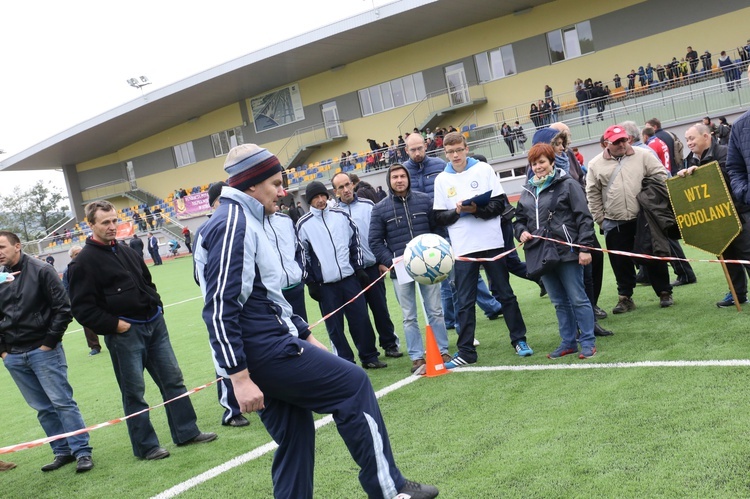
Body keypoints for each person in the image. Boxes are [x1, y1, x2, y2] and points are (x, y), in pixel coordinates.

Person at [194, 144, 438, 499]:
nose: (282, 192)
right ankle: (391, 490)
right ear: (251, 184)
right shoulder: (234, 224)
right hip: (263, 348)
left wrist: (305, 333)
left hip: (264, 344)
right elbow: (219, 306)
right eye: (276, 184)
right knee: (354, 384)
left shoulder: (242, 219)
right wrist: (238, 377)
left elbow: (266, 292)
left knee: (295, 434)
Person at [69, 201, 217, 461]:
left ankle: (187, 431)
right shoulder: (83, 262)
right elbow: (82, 310)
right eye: (105, 222)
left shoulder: (126, 250)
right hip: (125, 333)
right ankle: (147, 446)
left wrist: (157, 305)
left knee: (173, 380)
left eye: (114, 220)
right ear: (90, 225)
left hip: (154, 325)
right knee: (134, 392)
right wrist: (116, 325)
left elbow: (147, 282)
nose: (112, 226)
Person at [433, 132, 532, 367]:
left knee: (505, 294)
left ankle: (519, 340)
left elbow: (500, 204)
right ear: (445, 153)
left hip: (492, 243)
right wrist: (457, 212)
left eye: (459, 149)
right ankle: (466, 352)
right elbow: (439, 217)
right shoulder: (441, 180)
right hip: (463, 249)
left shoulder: (483, 170)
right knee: (464, 301)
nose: (455, 155)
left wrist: (474, 209)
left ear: (466, 148)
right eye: (450, 152)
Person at [0, 231, 94, 473]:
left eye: (2, 247)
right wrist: (3, 352)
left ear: (17, 246)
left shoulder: (41, 269)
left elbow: (63, 308)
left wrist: (48, 343)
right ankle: (61, 451)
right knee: (42, 408)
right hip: (13, 354)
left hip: (43, 350)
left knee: (62, 402)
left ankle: (82, 451)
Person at [515, 144, 597, 359]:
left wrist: (584, 248)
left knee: (578, 298)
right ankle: (568, 342)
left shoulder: (568, 184)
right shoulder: (527, 190)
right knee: (559, 302)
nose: (538, 167)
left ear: (552, 161)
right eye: (534, 163)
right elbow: (519, 221)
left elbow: (584, 217)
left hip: (568, 251)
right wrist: (521, 231)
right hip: (542, 255)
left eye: (542, 162)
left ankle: (588, 342)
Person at [369, 164, 451, 373]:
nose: (399, 180)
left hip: (430, 268)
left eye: (402, 176)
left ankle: (442, 350)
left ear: (408, 178)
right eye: (394, 177)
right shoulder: (380, 209)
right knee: (409, 315)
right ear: (389, 181)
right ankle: (417, 357)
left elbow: (438, 229)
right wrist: (392, 261)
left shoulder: (424, 200)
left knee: (435, 310)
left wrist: (437, 255)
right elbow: (375, 241)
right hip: (401, 270)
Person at [297, 181, 387, 369]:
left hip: (350, 279)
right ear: (310, 201)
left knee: (361, 319)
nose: (320, 200)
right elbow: (302, 255)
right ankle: (345, 362)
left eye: (323, 196)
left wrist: (359, 268)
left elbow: (355, 243)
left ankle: (369, 356)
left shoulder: (341, 215)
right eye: (315, 198)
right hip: (325, 285)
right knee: (335, 327)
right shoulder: (303, 224)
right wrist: (311, 282)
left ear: (328, 196)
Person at [586, 125, 674, 312]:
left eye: (624, 140)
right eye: (617, 142)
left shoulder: (643, 155)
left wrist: (650, 193)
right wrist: (600, 219)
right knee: (620, 262)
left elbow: (661, 175)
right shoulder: (595, 164)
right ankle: (625, 298)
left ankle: (664, 292)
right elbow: (592, 194)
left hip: (642, 217)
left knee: (653, 255)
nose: (622, 144)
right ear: (605, 144)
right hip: (614, 221)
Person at [332, 172, 403, 359]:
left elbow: (381, 234)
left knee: (380, 308)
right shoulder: (332, 213)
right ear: (335, 191)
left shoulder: (369, 206)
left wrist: (381, 261)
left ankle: (389, 343)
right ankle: (369, 351)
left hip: (372, 266)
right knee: (359, 315)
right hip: (351, 273)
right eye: (341, 187)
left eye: (348, 184)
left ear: (353, 184)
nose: (346, 189)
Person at [680, 123, 750, 307]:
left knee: (747, 254)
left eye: (692, 138)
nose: (689, 143)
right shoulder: (689, 160)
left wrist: (702, 173)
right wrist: (682, 177)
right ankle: (737, 294)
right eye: (687, 139)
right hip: (716, 218)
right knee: (728, 257)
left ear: (707, 136)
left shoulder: (725, 153)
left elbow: (731, 179)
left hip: (738, 213)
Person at [62, 245, 102, 356]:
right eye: (76, 254)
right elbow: (65, 288)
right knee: (87, 323)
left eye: (81, 252)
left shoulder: (95, 264)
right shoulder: (68, 271)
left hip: (99, 297)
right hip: (83, 301)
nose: (79, 256)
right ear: (71, 257)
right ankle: (94, 346)